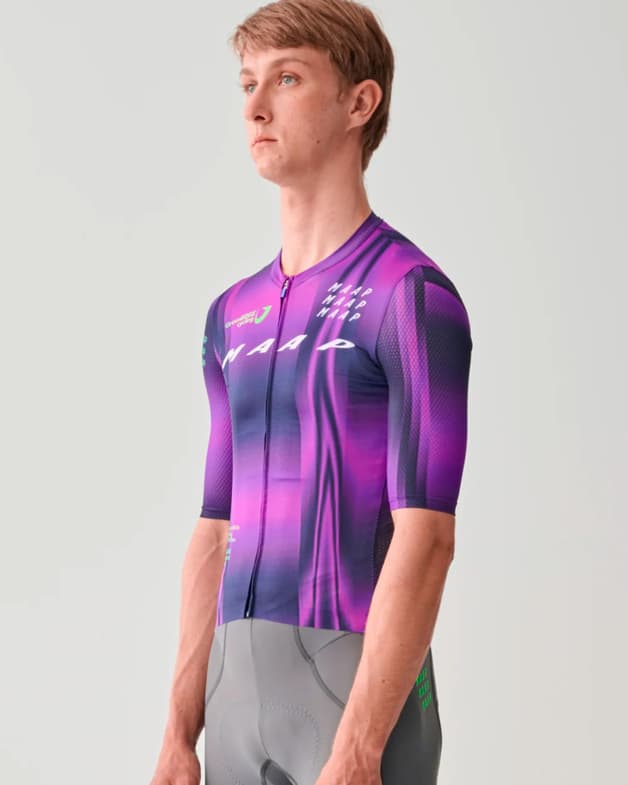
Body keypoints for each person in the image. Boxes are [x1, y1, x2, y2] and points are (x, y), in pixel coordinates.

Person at [149, 1, 473, 784]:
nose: (255, 107)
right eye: (248, 83)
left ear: (359, 103)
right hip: (231, 699)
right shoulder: (232, 314)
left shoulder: (408, 296)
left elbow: (427, 535)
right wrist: (176, 734)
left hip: (352, 695)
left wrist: (359, 747)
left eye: (287, 79)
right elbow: (214, 530)